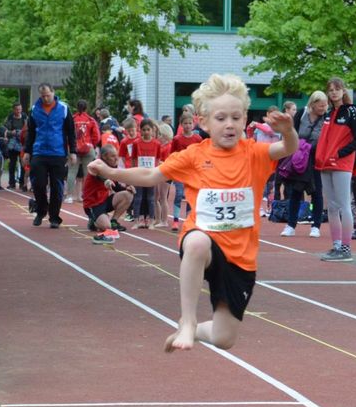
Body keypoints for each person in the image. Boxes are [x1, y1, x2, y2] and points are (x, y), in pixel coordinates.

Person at [87, 74, 297, 352]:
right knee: (197, 242)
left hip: (240, 257)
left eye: (236, 117)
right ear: (203, 121)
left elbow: (288, 148)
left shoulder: (254, 153)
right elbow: (151, 174)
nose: (230, 125)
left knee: (224, 338)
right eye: (221, 118)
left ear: (246, 119)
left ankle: (195, 331)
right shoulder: (194, 155)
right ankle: (188, 320)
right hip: (204, 239)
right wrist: (111, 171)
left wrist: (289, 131)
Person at [315, 78, 356, 261]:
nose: (334, 92)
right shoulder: (329, 113)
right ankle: (336, 246)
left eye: (337, 89)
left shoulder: (351, 111)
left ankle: (346, 248)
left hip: (341, 163)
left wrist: (340, 153)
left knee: (343, 205)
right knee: (332, 208)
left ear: (343, 91)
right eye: (331, 90)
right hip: (325, 164)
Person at [23, 83, 76, 228]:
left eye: (48, 95)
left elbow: (71, 131)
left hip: (58, 152)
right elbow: (31, 133)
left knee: (57, 186)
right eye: (43, 96)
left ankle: (54, 217)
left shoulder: (64, 108)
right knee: (38, 183)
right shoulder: (35, 109)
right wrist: (27, 151)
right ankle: (41, 210)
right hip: (39, 151)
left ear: (53, 92)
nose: (46, 98)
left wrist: (73, 152)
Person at [280, 91, 326, 239]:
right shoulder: (301, 114)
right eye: (320, 106)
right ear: (312, 104)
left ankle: (316, 225)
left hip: (316, 158)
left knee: (316, 192)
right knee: (296, 191)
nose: (323, 108)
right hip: (300, 157)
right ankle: (291, 225)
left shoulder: (327, 117)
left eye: (325, 105)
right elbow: (291, 132)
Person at [84, 144, 134, 244]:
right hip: (93, 204)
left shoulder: (113, 167)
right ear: (104, 157)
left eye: (116, 155)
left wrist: (127, 188)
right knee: (106, 228)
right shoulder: (97, 164)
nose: (116, 158)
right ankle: (94, 221)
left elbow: (115, 186)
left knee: (128, 194)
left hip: (105, 201)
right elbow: (97, 174)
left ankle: (114, 221)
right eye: (113, 156)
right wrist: (106, 180)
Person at [66, 100, 101, 202]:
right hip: (88, 148)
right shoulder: (91, 120)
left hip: (74, 149)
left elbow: (66, 134)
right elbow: (97, 136)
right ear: (86, 108)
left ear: (77, 108)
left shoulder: (72, 119)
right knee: (88, 174)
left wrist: (69, 146)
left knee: (72, 172)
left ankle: (69, 196)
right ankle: (87, 196)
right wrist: (92, 145)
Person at [0, 102, 27, 191]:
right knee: (12, 164)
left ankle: (22, 183)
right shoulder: (9, 118)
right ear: (13, 110)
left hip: (22, 143)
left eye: (20, 109)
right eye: (17, 109)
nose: (18, 111)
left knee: (23, 163)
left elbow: (28, 128)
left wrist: (22, 133)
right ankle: (12, 183)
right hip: (12, 144)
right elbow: (3, 129)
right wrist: (11, 133)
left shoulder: (25, 117)